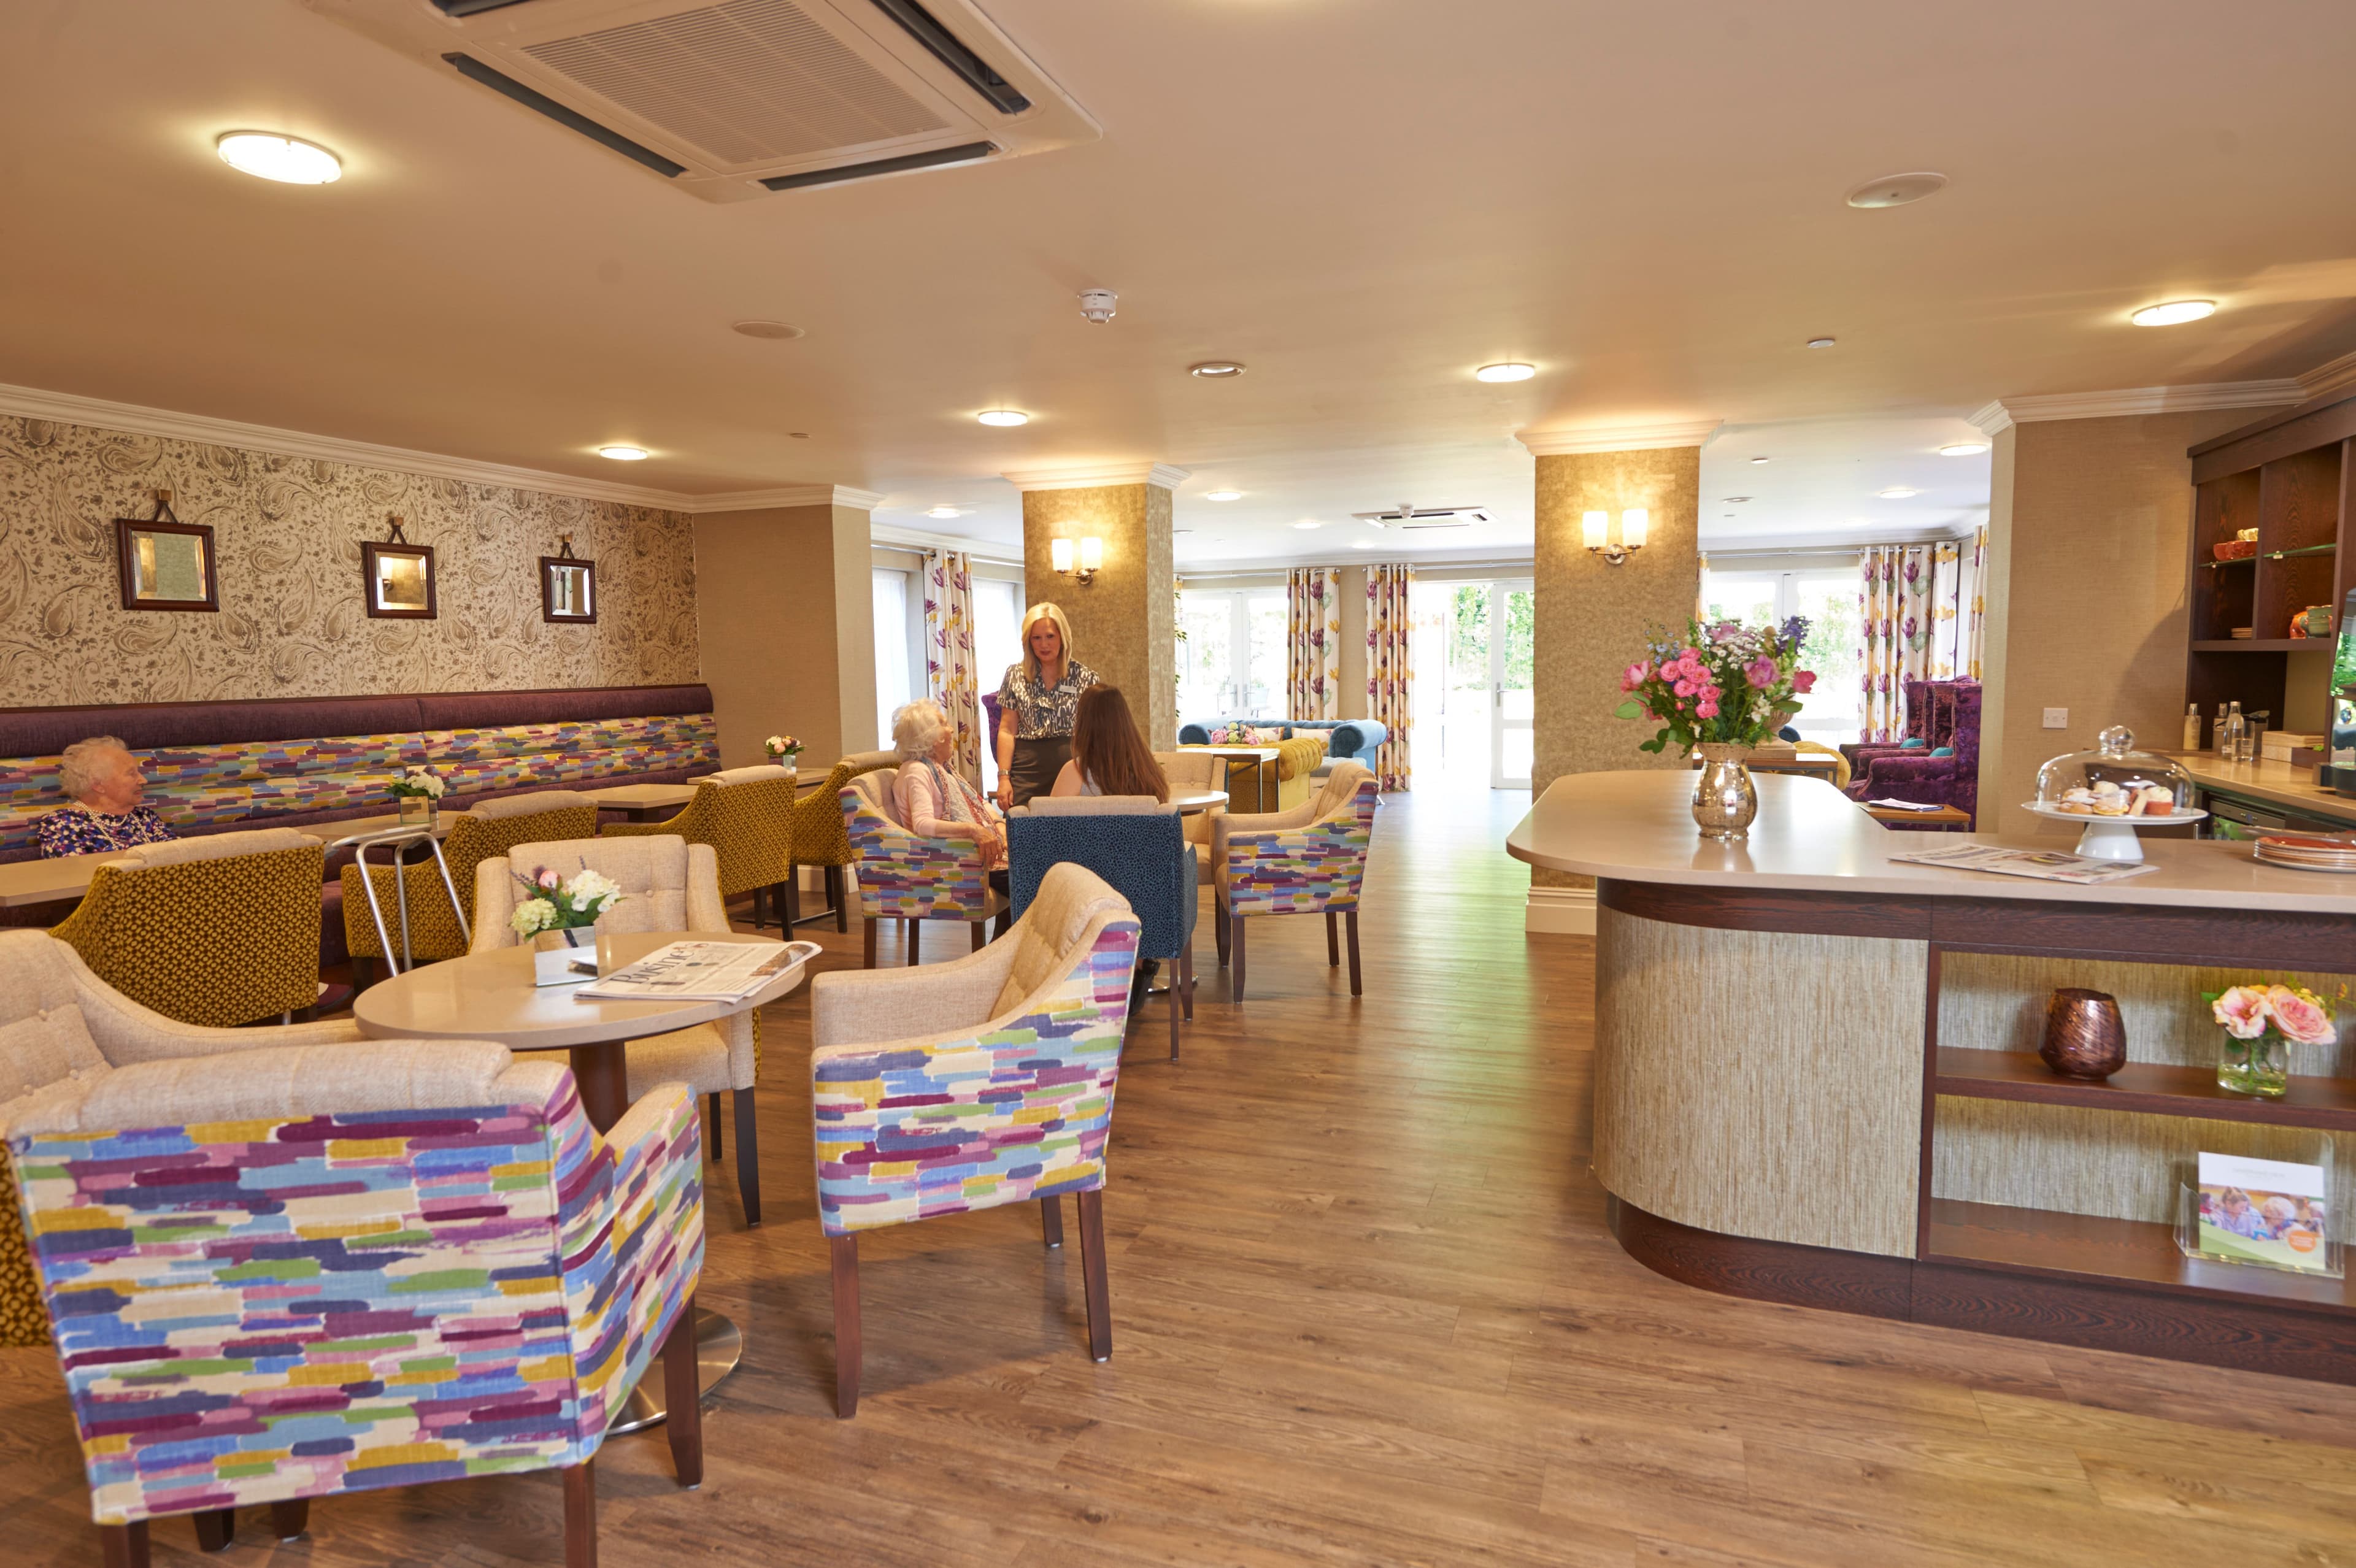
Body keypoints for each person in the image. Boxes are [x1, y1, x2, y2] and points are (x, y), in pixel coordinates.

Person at [993, 602, 1098, 810]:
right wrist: (1003, 778)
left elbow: (1095, 732)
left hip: (1072, 768)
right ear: (1028, 641)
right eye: (1037, 638)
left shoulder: (1085, 677)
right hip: (1027, 769)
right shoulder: (1015, 675)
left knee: (1067, 833)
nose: (1044, 645)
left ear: (1062, 637)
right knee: (1023, 829)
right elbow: (1007, 729)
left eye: (1050, 636)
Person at [890, 699, 1007, 880]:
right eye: (944, 724)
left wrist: (999, 825)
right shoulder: (917, 771)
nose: (952, 730)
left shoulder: (943, 769)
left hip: (971, 855)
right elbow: (922, 824)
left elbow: (981, 802)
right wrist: (973, 830)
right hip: (954, 861)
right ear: (931, 738)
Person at [37, 736, 177, 858]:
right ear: (98, 785)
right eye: (132, 774)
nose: (143, 780)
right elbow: (73, 878)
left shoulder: (145, 817)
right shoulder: (63, 825)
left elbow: (181, 857)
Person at [1052, 685, 1170, 801]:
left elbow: (1049, 818)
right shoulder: (1147, 771)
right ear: (1126, 720)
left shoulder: (1075, 772)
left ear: (1083, 724)